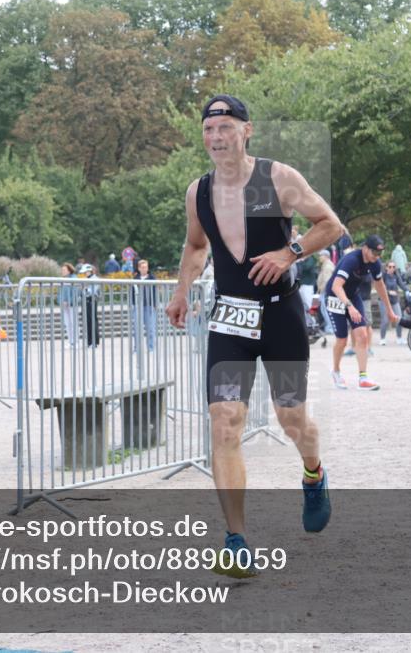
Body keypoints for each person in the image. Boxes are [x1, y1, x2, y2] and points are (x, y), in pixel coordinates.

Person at [165, 94, 343, 575]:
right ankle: (236, 540)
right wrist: (182, 292)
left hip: (280, 315)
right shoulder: (197, 192)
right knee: (223, 422)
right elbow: (196, 244)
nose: (216, 137)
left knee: (292, 421)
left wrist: (289, 253)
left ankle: (313, 473)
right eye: (208, 130)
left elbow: (331, 225)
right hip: (230, 319)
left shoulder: (278, 178)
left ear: (247, 131)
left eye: (225, 127)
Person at [326, 235, 399, 390]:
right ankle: (336, 371)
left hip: (353, 296)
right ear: (365, 248)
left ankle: (363, 378)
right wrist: (349, 307)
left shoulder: (375, 263)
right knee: (342, 339)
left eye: (380, 254)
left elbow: (380, 287)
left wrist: (389, 309)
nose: (377, 257)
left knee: (363, 335)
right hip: (335, 297)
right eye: (374, 253)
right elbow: (336, 286)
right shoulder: (351, 260)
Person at [378, 260, 405, 346]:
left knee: (399, 318)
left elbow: (402, 285)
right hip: (384, 300)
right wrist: (389, 292)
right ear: (386, 268)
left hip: (394, 300)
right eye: (390, 267)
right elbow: (380, 287)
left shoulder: (396, 275)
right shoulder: (383, 276)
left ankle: (399, 338)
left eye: (393, 267)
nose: (392, 268)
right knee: (385, 320)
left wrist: (409, 289)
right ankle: (382, 339)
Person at [132, 259, 157, 351]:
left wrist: (154, 304)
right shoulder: (135, 279)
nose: (144, 269)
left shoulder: (152, 278)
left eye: (146, 267)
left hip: (149, 305)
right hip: (138, 306)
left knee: (150, 328)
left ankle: (151, 347)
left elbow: (155, 292)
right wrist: (133, 304)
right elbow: (132, 292)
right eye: (142, 267)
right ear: (139, 268)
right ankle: (137, 348)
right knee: (137, 328)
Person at [315, 250, 335, 334]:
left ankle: (330, 328)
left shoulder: (328, 266)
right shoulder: (325, 265)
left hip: (326, 291)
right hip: (324, 291)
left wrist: (320, 291)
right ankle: (330, 327)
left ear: (326, 256)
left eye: (321, 255)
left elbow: (327, 281)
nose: (319, 257)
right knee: (324, 310)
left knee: (326, 310)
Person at [58, 262, 78, 345]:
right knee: (67, 323)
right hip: (65, 305)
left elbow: (75, 292)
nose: (62, 271)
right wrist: (61, 301)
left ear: (69, 271)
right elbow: (60, 293)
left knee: (74, 323)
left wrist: (69, 301)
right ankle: (71, 341)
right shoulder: (63, 279)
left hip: (72, 305)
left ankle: (76, 341)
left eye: (64, 270)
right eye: (62, 270)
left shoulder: (73, 278)